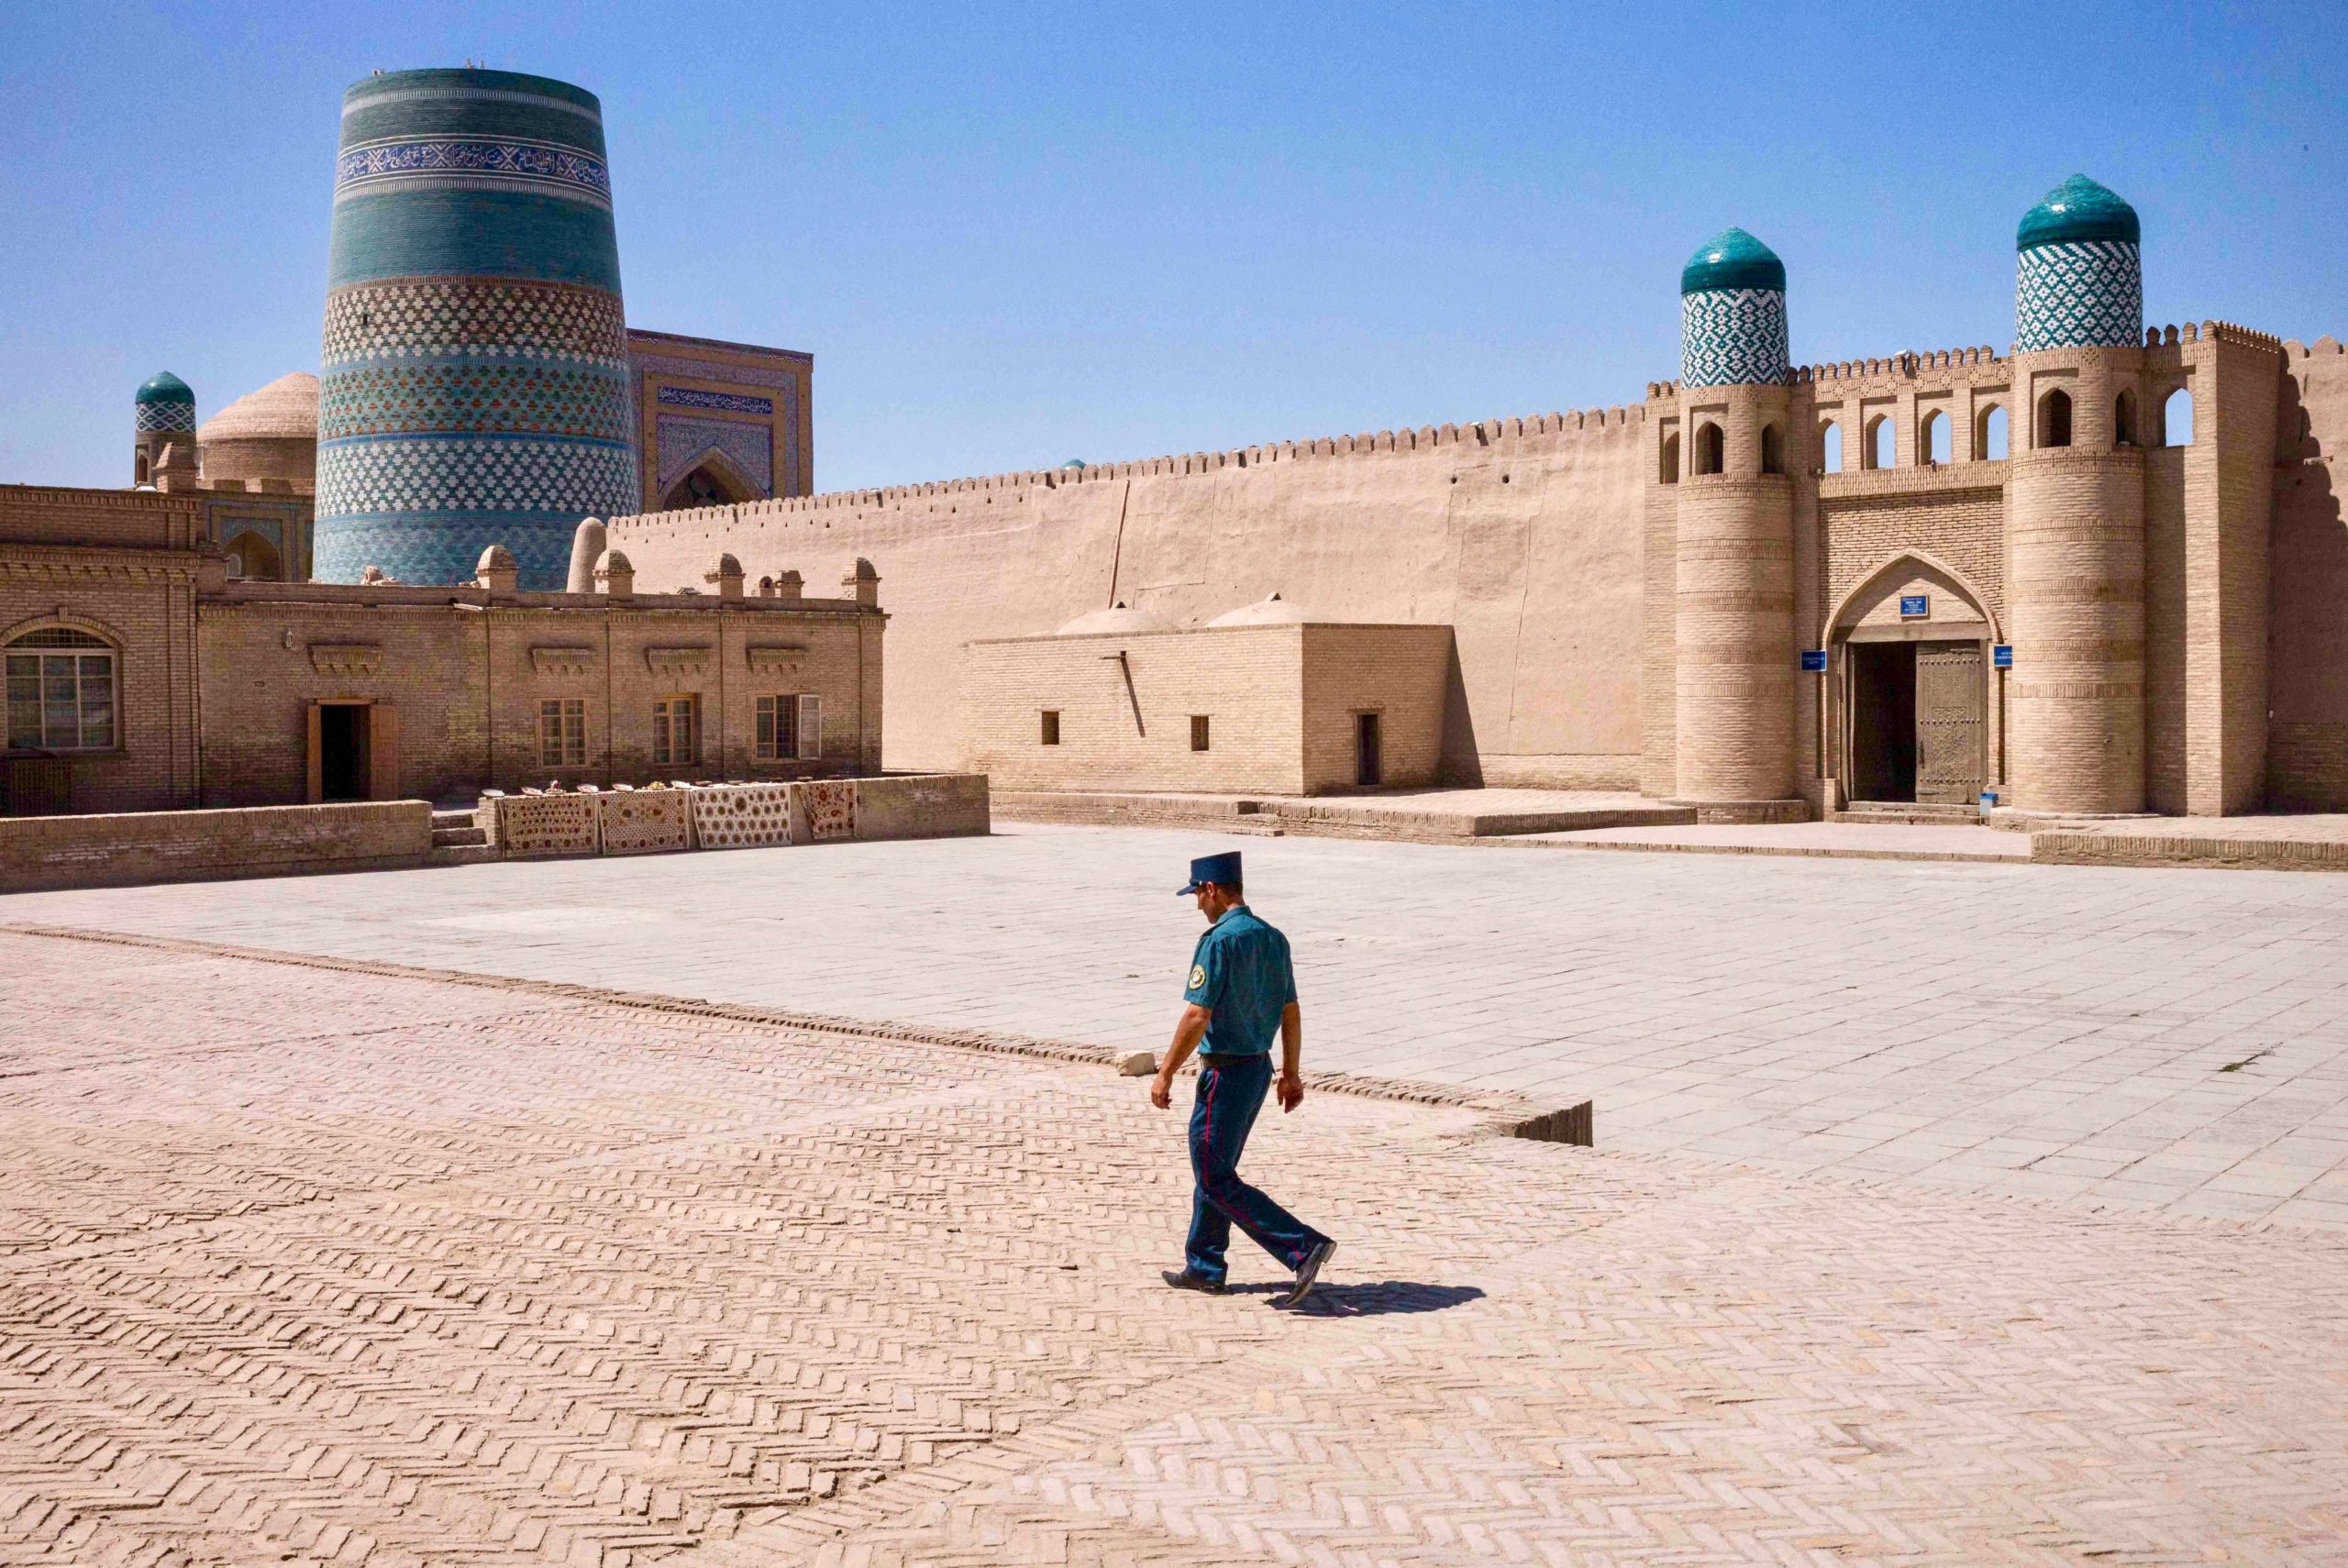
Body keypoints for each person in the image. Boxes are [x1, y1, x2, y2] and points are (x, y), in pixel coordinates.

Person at [1149, 850, 1335, 1306]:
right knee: (1216, 1171)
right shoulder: (1273, 937)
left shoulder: (1218, 942)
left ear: (1212, 889)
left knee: (1214, 1178)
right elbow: (1290, 1010)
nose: (1197, 904)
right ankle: (1204, 1266)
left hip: (1226, 1076)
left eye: (1197, 893)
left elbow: (1197, 1014)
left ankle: (1301, 1246)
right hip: (1258, 1071)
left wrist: (1166, 1072)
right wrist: (1290, 1072)